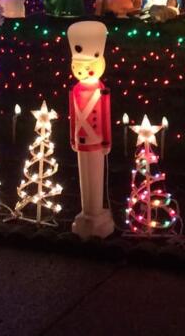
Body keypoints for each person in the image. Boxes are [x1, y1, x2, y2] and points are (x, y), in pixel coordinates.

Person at [67, 21, 114, 239]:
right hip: (81, 140)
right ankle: (87, 211)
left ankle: (95, 211)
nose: (84, 71)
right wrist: (72, 138)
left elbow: (104, 115)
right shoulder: (75, 89)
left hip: (96, 140)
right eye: (79, 66)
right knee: (84, 176)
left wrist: (107, 141)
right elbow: (72, 114)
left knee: (95, 176)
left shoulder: (101, 90)